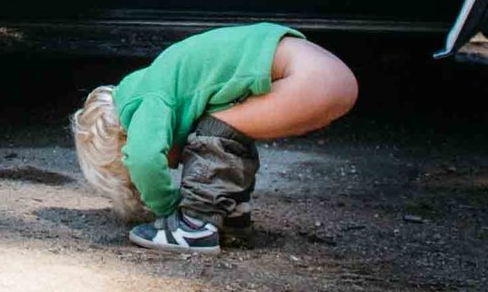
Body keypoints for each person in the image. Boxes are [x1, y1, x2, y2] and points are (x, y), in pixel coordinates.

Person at [71, 23, 358, 252]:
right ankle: (231, 218)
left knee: (214, 131)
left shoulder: (146, 98)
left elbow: (143, 158)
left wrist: (168, 207)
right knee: (231, 129)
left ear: (124, 136)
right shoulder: (175, 77)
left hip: (313, 78)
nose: (171, 166)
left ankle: (192, 224)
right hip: (330, 74)